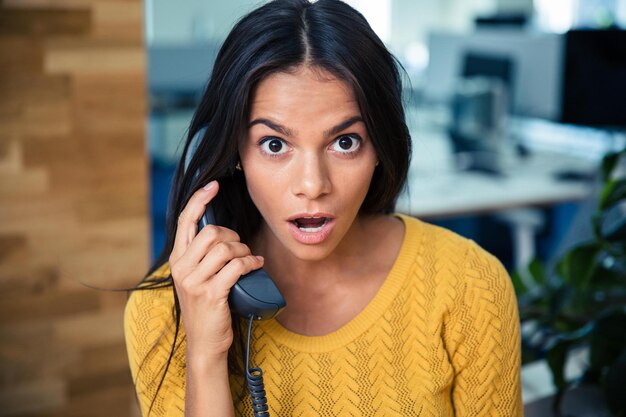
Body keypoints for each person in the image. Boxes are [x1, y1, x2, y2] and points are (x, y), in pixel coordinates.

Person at [124, 0, 523, 416]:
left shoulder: (469, 286)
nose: (313, 185)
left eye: (345, 142)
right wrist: (204, 354)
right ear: (235, 152)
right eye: (274, 144)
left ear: (380, 148)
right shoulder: (161, 314)